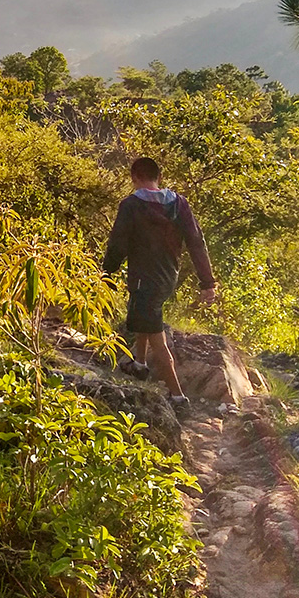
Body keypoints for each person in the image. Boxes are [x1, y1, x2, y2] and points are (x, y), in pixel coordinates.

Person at [102, 157, 216, 409]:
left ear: (134, 177)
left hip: (143, 278)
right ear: (159, 177)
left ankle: (177, 396)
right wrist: (207, 282)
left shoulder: (131, 205)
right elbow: (196, 242)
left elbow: (117, 245)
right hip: (167, 278)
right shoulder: (180, 204)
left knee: (156, 334)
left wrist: (105, 274)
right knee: (145, 316)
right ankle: (139, 365)